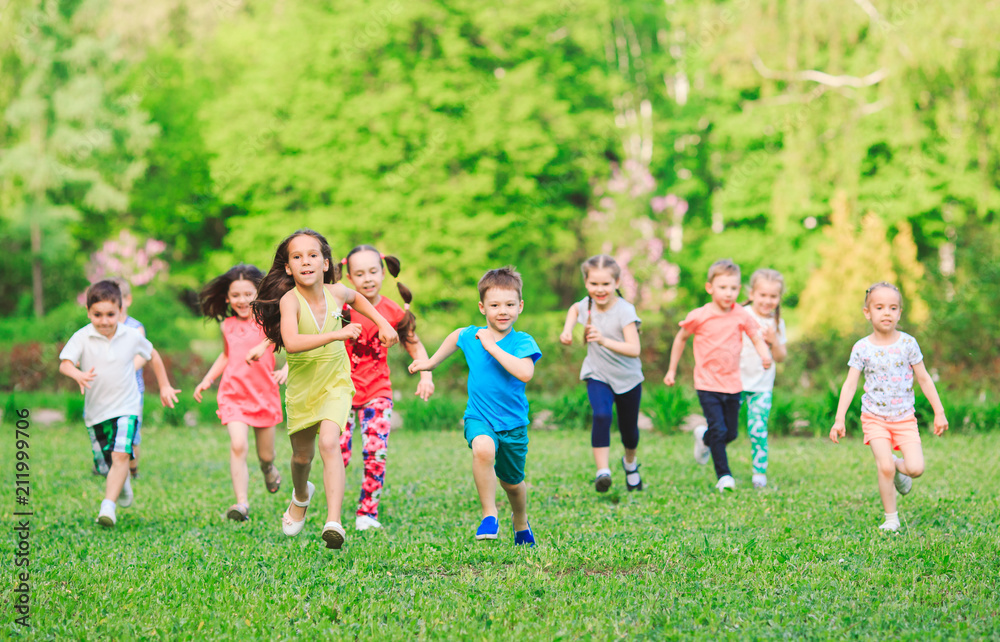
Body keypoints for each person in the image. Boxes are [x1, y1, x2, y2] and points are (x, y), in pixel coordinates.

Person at [251, 229, 398, 550]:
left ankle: (334, 522)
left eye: (313, 255)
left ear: (325, 262)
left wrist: (384, 323)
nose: (306, 261)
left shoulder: (338, 292)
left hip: (336, 382)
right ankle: (301, 495)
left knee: (330, 443)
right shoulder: (290, 301)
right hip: (303, 388)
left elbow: (357, 298)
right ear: (288, 267)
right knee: (302, 457)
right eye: (297, 256)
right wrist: (337, 334)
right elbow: (292, 342)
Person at [409, 267, 541, 546]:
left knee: (513, 484)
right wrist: (431, 363)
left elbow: (525, 373)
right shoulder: (473, 335)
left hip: (514, 425)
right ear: (482, 308)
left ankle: (520, 521)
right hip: (479, 416)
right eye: (494, 305)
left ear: (520, 306)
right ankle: (489, 514)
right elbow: (457, 336)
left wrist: (493, 347)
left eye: (509, 304)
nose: (502, 311)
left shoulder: (522, 341)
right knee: (483, 448)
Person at [829, 282, 948, 532]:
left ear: (899, 313)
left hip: (904, 418)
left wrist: (939, 411)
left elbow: (924, 378)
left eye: (893, 308)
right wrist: (839, 419)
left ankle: (897, 466)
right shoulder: (862, 348)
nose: (886, 313)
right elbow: (850, 384)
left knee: (916, 468)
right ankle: (891, 518)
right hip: (874, 417)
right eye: (880, 307)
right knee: (883, 466)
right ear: (867, 312)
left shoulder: (908, 344)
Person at [340, 245, 435, 531]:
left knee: (375, 451)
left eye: (372, 272)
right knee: (338, 453)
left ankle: (367, 513)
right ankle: (328, 507)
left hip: (377, 391)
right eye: (359, 273)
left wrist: (426, 374)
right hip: (341, 390)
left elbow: (414, 344)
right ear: (348, 277)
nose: (367, 278)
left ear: (383, 272)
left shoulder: (392, 310)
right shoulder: (340, 308)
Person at [664, 259, 772, 492]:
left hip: (733, 383)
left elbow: (755, 336)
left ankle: (704, 438)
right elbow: (681, 338)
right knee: (720, 430)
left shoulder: (741, 314)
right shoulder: (699, 315)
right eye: (722, 288)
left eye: (733, 288)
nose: (728, 293)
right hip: (707, 383)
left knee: (730, 433)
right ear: (709, 288)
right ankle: (724, 476)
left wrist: (765, 355)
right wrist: (672, 369)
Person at [59, 280, 158, 527]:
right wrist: (78, 374)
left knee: (122, 453)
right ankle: (121, 484)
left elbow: (151, 354)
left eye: (111, 314)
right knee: (107, 464)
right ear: (88, 312)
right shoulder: (82, 336)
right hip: (97, 411)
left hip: (127, 404)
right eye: (97, 315)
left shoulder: (131, 334)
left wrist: (165, 386)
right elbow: (65, 363)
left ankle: (108, 506)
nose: (104, 321)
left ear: (121, 310)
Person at [193, 264, 288, 522]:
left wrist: (288, 369)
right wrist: (207, 379)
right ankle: (241, 504)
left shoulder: (269, 322)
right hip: (233, 395)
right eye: (235, 295)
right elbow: (226, 356)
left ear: (259, 293)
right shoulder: (227, 326)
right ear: (227, 298)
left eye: (248, 294)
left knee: (265, 455)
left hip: (264, 395)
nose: (242, 300)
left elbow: (294, 344)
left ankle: (268, 470)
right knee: (238, 445)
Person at [559, 254, 644, 493]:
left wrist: (604, 340)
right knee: (601, 415)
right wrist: (567, 331)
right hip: (598, 374)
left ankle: (630, 463)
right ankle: (602, 472)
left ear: (616, 283)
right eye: (594, 284)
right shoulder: (585, 305)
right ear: (586, 283)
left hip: (628, 379)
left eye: (606, 284)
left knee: (629, 432)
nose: (600, 289)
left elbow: (634, 349)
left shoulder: (625, 311)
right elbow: (573, 310)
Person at [105, 277, 181, 479]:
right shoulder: (102, 327)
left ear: (127, 300)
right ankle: (110, 465)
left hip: (131, 390)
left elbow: (143, 356)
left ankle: (133, 468)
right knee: (109, 429)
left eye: (117, 299)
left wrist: (122, 371)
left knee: (131, 434)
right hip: (105, 390)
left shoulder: (135, 328)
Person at [738, 269, 788, 489]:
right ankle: (705, 438)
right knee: (725, 428)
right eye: (763, 295)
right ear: (752, 293)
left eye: (773, 296)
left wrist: (774, 340)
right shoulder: (740, 314)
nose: (768, 301)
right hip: (735, 382)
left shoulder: (777, 323)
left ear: (779, 298)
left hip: (761, 386)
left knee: (758, 430)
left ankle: (759, 473)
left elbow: (781, 357)